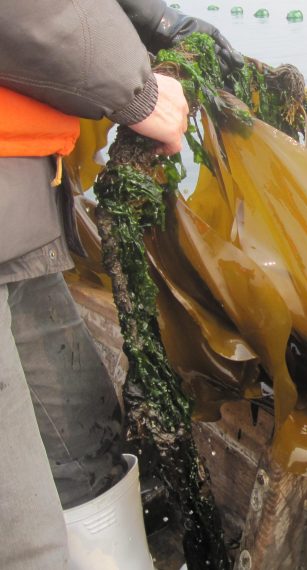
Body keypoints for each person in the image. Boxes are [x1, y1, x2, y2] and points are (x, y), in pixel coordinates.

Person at [0, 1, 241, 568]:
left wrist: (156, 22)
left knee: (88, 453)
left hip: (16, 209)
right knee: (24, 537)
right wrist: (136, 91)